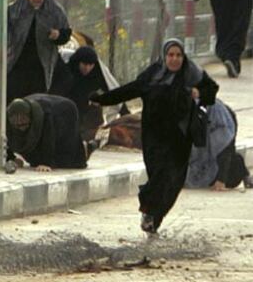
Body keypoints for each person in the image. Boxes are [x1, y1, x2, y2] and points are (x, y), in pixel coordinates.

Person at [90, 38, 219, 234]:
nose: (174, 59)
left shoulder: (193, 74)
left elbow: (212, 90)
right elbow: (129, 90)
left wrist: (198, 92)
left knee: (173, 183)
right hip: (154, 137)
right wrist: (102, 100)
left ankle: (154, 219)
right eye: (170, 55)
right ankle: (149, 212)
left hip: (180, 139)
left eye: (178, 55)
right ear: (164, 56)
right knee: (159, 177)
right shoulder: (152, 76)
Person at [7, 0, 72, 102]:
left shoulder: (54, 11)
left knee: (37, 101)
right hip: (17, 62)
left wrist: (58, 35)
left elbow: (66, 33)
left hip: (42, 65)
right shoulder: (15, 10)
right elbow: (3, 32)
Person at [6, 94, 92, 172]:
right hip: (43, 107)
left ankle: (88, 147)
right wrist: (11, 158)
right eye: (17, 125)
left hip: (64, 111)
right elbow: (3, 137)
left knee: (67, 162)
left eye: (23, 123)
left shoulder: (46, 116)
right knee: (34, 158)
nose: (21, 128)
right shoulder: (7, 119)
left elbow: (49, 137)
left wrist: (46, 163)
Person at [186, 99, 253, 190]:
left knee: (230, 178)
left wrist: (221, 180)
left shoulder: (219, 117)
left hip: (224, 124)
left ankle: (242, 171)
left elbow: (226, 147)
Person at [61, 46, 121, 141]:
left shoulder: (98, 72)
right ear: (78, 62)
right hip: (66, 106)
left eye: (90, 65)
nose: (87, 68)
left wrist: (124, 112)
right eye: (84, 64)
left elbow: (113, 91)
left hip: (87, 109)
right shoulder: (66, 71)